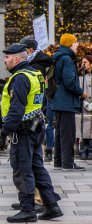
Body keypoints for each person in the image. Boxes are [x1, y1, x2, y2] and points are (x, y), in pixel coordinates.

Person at [0, 43, 62, 223]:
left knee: (22, 169)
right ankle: (52, 206)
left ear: (16, 59)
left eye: (7, 58)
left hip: (23, 131)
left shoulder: (20, 78)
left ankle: (27, 209)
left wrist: (5, 132)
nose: (5, 60)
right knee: (37, 167)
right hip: (36, 127)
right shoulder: (35, 74)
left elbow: (16, 109)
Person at [52, 33, 87, 171]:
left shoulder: (59, 57)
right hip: (66, 101)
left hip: (58, 101)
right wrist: (81, 92)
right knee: (68, 134)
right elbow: (70, 82)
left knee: (60, 132)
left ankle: (58, 162)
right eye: (75, 42)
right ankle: (67, 163)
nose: (77, 44)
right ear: (69, 44)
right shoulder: (66, 59)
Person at [19, 35, 54, 162]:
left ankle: (46, 151)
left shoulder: (36, 65)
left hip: (37, 103)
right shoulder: (34, 62)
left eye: (23, 49)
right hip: (39, 101)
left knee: (41, 126)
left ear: (30, 50)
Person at [76, 55, 92, 160]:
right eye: (82, 62)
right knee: (83, 127)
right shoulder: (79, 77)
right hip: (83, 106)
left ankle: (90, 149)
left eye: (85, 62)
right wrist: (84, 103)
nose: (83, 65)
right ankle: (83, 149)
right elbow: (77, 92)